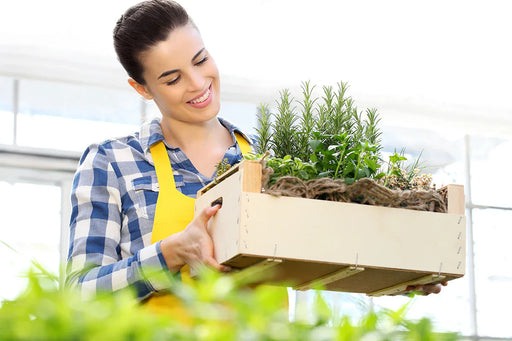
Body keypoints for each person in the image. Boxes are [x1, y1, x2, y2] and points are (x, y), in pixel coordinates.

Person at [66, 0, 444, 303]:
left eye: (200, 60)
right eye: (172, 78)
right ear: (142, 88)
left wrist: (399, 276)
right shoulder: (112, 162)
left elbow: (319, 264)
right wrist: (169, 253)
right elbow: (78, 294)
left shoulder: (274, 168)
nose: (199, 83)